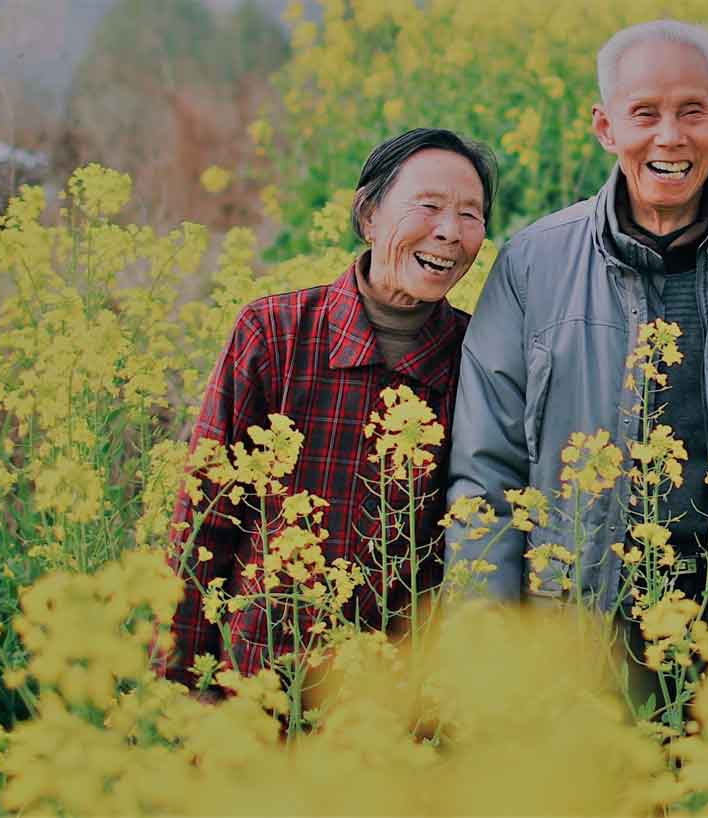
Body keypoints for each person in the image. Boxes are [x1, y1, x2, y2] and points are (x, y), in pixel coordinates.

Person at [445, 20, 708, 617]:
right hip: (581, 631)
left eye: (692, 111)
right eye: (644, 113)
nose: (669, 138)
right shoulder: (532, 265)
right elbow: (486, 476)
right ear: (605, 126)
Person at [158, 128, 497, 692]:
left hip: (392, 711)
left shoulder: (480, 356)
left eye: (471, 215)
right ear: (368, 216)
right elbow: (203, 521)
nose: (449, 232)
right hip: (258, 689)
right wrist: (173, 689)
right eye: (429, 207)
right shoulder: (274, 334)